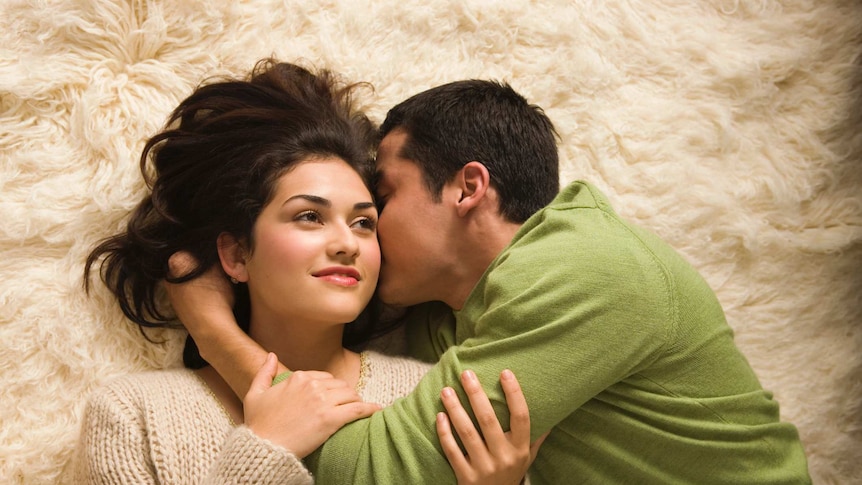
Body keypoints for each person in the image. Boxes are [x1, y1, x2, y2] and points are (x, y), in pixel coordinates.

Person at [167, 79, 812, 484]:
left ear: (467, 189)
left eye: (380, 201)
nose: (363, 235)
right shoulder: (447, 316)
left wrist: (211, 325)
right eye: (312, 217)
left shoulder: (583, 272)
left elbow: (364, 471)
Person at [75, 60, 540, 484]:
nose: (346, 243)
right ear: (236, 255)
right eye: (309, 216)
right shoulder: (132, 415)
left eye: (364, 223)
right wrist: (266, 451)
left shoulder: (434, 396)